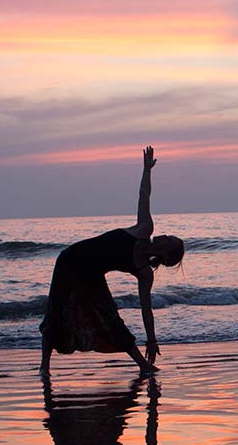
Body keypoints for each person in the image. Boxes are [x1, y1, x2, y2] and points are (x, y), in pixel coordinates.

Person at [39, 146, 184, 378]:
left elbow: (147, 310)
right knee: (56, 312)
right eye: (169, 236)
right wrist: (147, 170)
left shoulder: (145, 272)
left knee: (110, 318)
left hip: (92, 274)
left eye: (170, 241)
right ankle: (44, 367)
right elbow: (144, 195)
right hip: (71, 260)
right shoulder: (144, 228)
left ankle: (143, 365)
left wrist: (152, 339)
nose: (165, 236)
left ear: (166, 255)